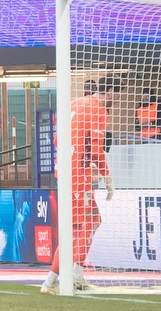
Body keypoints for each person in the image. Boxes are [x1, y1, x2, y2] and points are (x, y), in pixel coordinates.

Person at [41, 77, 120, 295]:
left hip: (68, 170)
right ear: (111, 92)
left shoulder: (74, 103)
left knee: (93, 220)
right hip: (76, 175)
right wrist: (107, 176)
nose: (117, 99)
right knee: (75, 230)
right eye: (117, 94)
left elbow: (57, 140)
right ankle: (49, 282)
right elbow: (96, 150)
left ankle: (76, 274)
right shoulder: (99, 111)